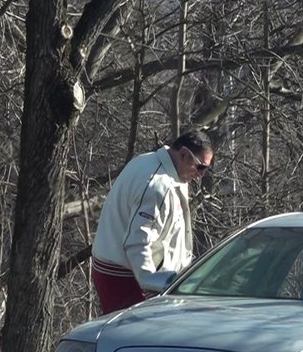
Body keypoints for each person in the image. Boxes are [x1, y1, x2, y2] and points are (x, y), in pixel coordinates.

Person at [91, 128, 214, 314]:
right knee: (136, 332)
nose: (201, 175)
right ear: (183, 154)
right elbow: (137, 242)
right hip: (126, 277)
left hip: (130, 273)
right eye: (201, 167)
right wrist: (151, 284)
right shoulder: (157, 186)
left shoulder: (157, 166)